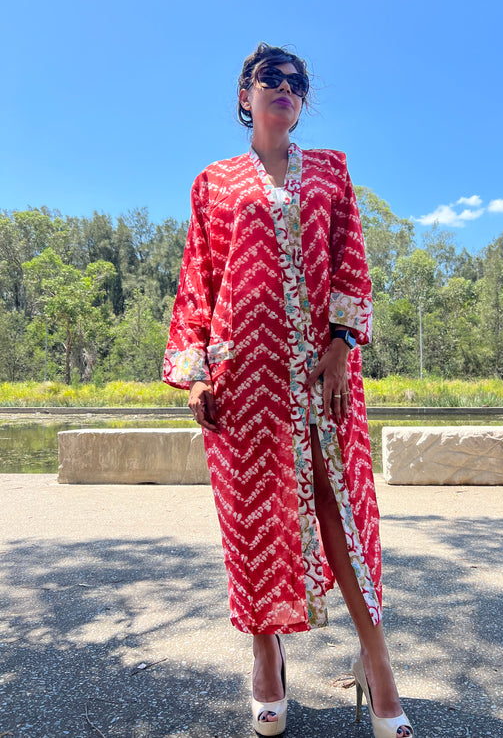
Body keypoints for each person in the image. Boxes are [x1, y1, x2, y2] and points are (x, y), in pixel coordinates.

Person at [163, 42, 413, 738]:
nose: (286, 88)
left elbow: (351, 262)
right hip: (243, 377)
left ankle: (379, 662)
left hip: (319, 373)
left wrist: (342, 342)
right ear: (245, 95)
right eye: (270, 78)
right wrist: (195, 370)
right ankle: (265, 653)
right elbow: (199, 280)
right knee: (251, 519)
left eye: (297, 82)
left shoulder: (331, 172)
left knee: (338, 510)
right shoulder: (213, 182)